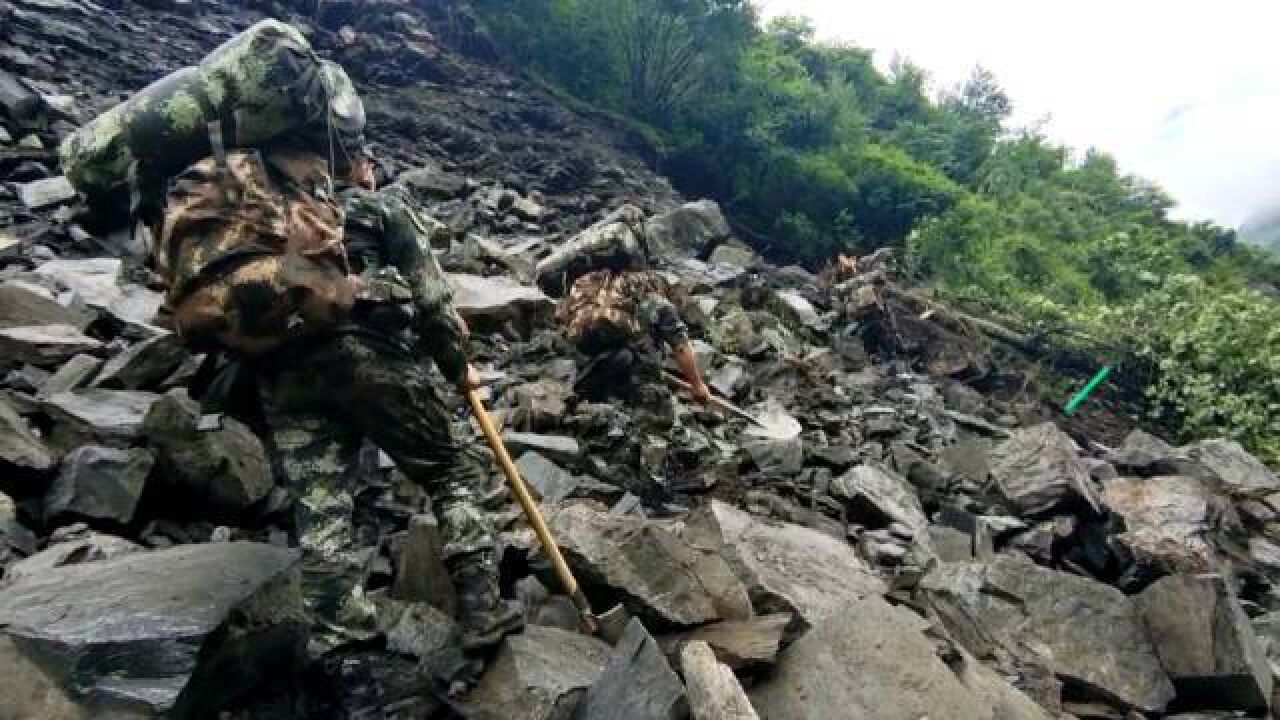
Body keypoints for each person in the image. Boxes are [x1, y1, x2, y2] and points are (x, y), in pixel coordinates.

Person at [552, 213, 713, 410]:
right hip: (619, 357)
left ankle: (594, 377)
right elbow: (680, 346)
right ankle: (612, 391)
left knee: (625, 347)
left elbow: (561, 317)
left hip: (578, 348)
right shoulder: (656, 300)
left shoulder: (595, 281)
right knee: (637, 368)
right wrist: (698, 385)